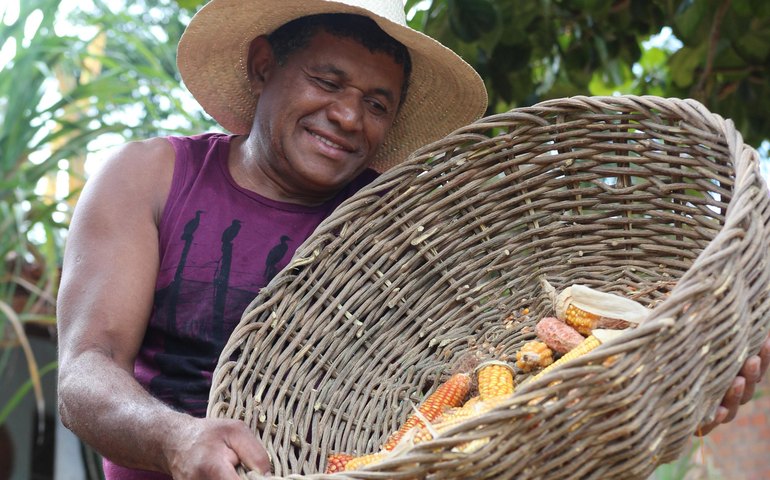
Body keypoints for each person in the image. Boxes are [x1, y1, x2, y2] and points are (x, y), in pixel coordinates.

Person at [56, 0, 770, 479]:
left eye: (375, 104)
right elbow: (85, 371)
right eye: (327, 81)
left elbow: (490, 400)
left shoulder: (404, 232)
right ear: (265, 64)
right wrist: (179, 439)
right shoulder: (153, 176)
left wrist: (668, 387)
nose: (346, 116)